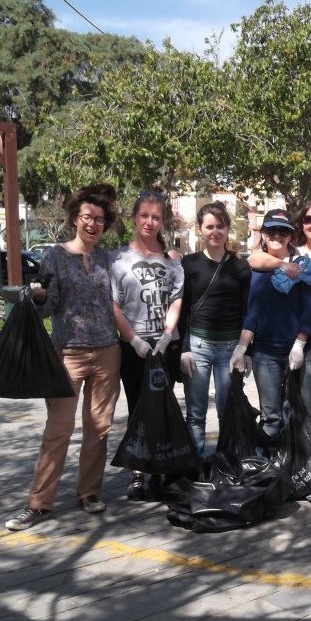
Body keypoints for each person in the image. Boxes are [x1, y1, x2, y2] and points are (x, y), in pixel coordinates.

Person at [5, 184, 121, 531]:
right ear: (75, 219)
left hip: (107, 353)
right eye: (88, 217)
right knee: (58, 429)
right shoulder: (55, 256)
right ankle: (38, 503)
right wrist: (39, 297)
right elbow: (47, 307)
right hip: (67, 353)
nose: (93, 224)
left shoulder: (107, 259)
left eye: (100, 219)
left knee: (99, 429)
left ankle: (89, 492)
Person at [110, 190, 185, 501]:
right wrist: (134, 340)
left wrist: (168, 333)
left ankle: (165, 465)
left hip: (164, 345)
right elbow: (113, 305)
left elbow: (176, 299)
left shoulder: (172, 262)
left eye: (156, 217)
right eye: (144, 216)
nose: (150, 222)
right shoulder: (118, 259)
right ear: (134, 218)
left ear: (162, 220)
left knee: (164, 406)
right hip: (134, 345)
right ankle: (139, 470)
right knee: (138, 407)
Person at [233, 209, 311, 439]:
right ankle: (275, 468)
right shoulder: (255, 269)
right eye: (271, 230)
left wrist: (299, 344)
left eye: (283, 231)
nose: (277, 236)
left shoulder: (303, 267)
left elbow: (309, 311)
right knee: (271, 418)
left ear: (291, 236)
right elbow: (252, 312)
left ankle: (303, 467)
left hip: (303, 350)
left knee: (304, 415)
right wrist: (242, 348)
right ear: (263, 234)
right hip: (266, 353)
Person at [179, 201, 251, 459]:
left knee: (226, 410)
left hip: (230, 348)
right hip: (198, 345)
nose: (215, 232)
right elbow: (183, 309)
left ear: (228, 228)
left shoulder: (240, 264)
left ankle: (226, 464)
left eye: (220, 226)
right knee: (196, 413)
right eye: (209, 226)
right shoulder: (189, 263)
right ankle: (195, 466)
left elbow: (247, 310)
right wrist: (184, 348)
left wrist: (246, 350)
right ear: (200, 229)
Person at [248, 200, 311, 400]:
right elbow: (254, 259)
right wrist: (284, 264)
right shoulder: (295, 253)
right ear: (302, 224)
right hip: (297, 336)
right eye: (309, 219)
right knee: (293, 404)